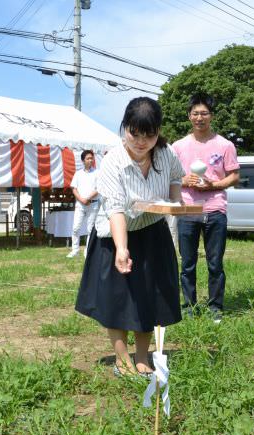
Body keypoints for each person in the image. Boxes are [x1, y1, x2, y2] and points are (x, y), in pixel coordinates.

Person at [75, 97, 184, 377]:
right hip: (116, 234)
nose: (140, 141)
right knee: (119, 298)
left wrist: (174, 201)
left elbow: (175, 178)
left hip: (153, 232)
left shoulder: (166, 153)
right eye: (134, 133)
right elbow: (115, 210)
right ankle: (122, 358)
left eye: (149, 135)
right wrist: (122, 249)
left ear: (158, 131)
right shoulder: (113, 161)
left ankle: (143, 356)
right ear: (125, 127)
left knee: (151, 296)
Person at [172, 94, 240, 323]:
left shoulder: (224, 145)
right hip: (187, 209)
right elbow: (170, 177)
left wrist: (214, 184)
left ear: (211, 116)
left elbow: (234, 176)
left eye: (204, 113)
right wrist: (184, 181)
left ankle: (215, 309)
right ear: (189, 116)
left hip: (215, 209)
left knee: (215, 263)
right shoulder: (178, 146)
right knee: (187, 263)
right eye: (195, 113)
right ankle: (188, 307)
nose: (199, 117)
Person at [67, 150, 100, 258]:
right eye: (88, 158)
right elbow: (74, 188)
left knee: (90, 229)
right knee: (76, 227)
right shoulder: (78, 174)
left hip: (93, 204)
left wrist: (88, 198)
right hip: (80, 204)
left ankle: (88, 251)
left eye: (92, 158)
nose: (91, 160)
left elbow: (99, 188)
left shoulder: (97, 173)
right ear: (83, 160)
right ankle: (75, 250)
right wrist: (81, 199)